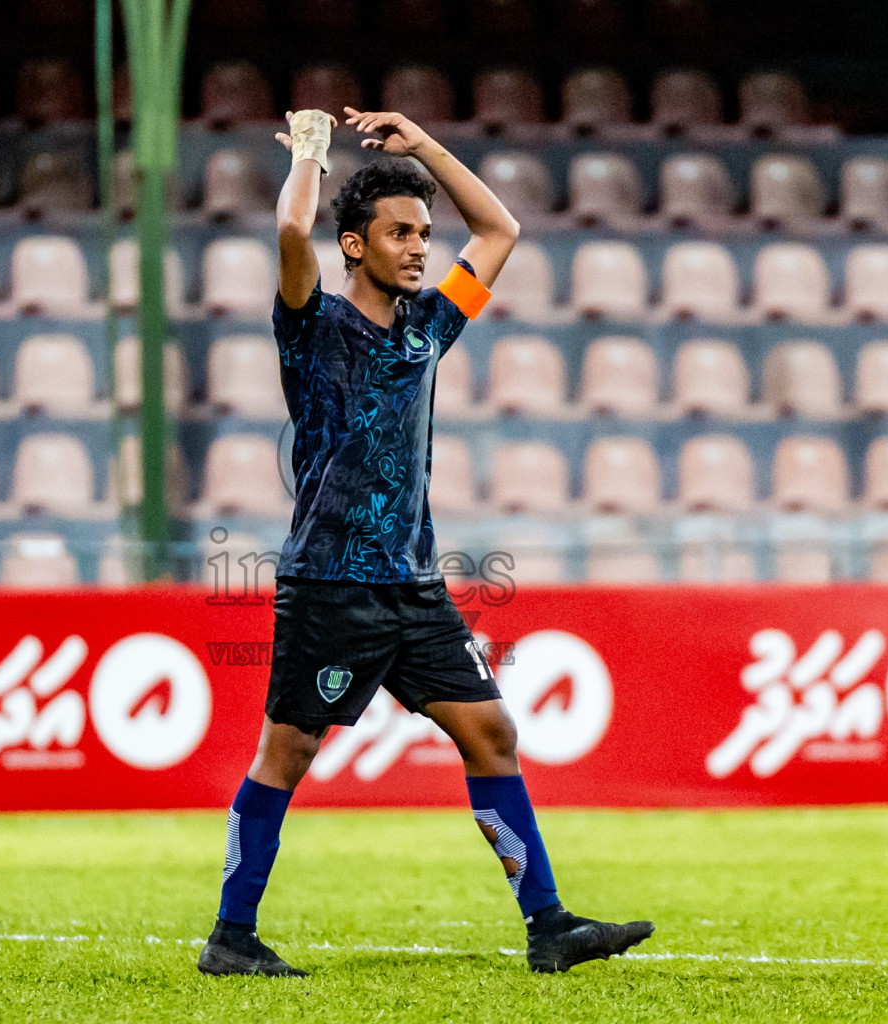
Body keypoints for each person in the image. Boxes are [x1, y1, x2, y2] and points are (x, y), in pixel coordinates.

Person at [197, 106, 654, 978]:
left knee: (491, 734)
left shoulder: (428, 329)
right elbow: (294, 225)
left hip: (412, 587)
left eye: (423, 233)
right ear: (356, 246)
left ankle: (548, 925)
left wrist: (424, 151)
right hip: (330, 584)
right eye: (400, 232)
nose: (419, 246)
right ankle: (231, 935)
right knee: (285, 755)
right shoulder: (313, 325)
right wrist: (310, 151)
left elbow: (500, 228)